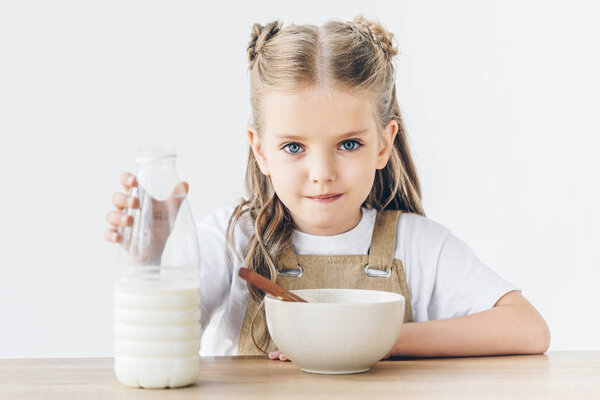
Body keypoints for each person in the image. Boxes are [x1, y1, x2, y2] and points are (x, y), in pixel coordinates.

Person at [105, 15, 550, 361]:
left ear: (383, 145)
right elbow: (164, 343)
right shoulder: (232, 239)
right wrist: (149, 261)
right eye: (294, 146)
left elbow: (528, 329)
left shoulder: (417, 246)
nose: (322, 172)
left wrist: (374, 338)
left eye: (349, 144)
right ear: (260, 151)